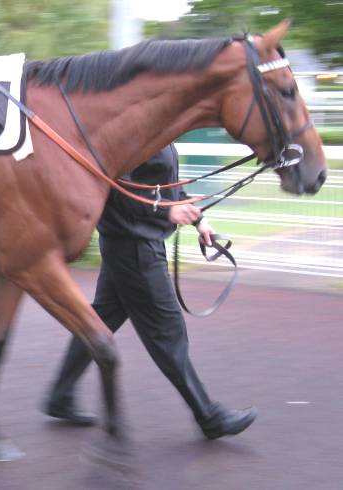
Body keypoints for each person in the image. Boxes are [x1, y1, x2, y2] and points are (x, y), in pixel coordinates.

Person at [44, 144, 257, 440]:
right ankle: (209, 416)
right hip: (134, 246)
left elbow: (164, 188)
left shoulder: (158, 132)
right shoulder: (131, 132)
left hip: (129, 243)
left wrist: (199, 220)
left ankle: (60, 395)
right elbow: (116, 190)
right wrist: (166, 211)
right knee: (168, 333)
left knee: (99, 322)